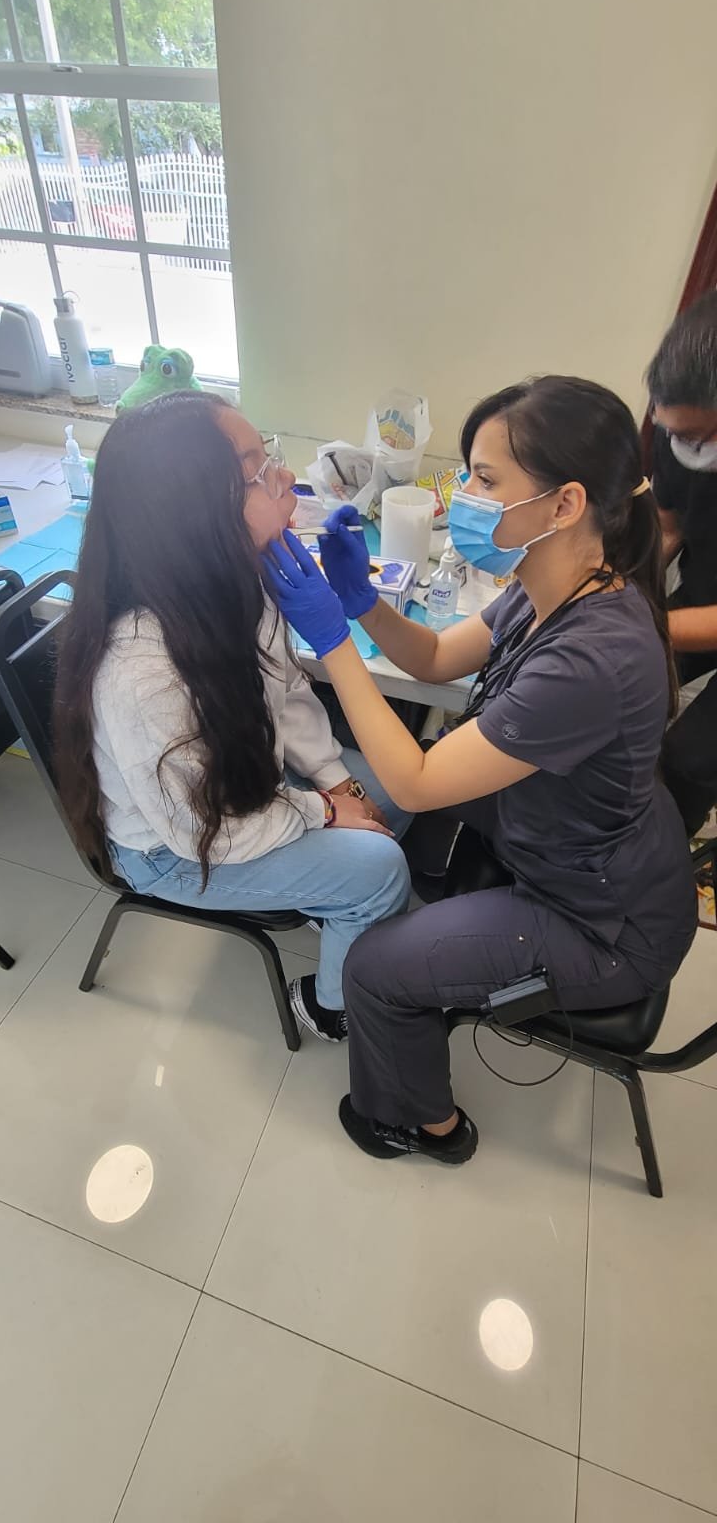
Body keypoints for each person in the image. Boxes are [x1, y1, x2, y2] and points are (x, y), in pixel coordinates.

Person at [264, 376, 698, 1165]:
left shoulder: (591, 655)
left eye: (484, 480)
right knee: (402, 847)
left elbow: (416, 782)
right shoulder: (553, 586)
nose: (460, 496)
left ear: (565, 504)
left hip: (603, 921)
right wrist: (362, 605)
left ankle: (421, 1124)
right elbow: (432, 656)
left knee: (375, 971)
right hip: (585, 854)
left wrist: (330, 639)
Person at [53, 392, 412, 1042]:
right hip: (178, 845)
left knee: (399, 792)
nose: (282, 478)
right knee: (381, 866)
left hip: (247, 784)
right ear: (196, 514)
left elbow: (288, 693)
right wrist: (326, 812)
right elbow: (205, 832)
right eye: (254, 470)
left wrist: (336, 781)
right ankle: (330, 1009)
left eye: (266, 455)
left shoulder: (238, 576)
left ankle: (332, 896)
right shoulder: (142, 673)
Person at [646, 292, 717, 835]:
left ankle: (656, 869)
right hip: (704, 590)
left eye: (694, 436)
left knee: (688, 760)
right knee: (632, 683)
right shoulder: (676, 440)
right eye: (672, 433)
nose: (679, 446)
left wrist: (638, 624)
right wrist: (620, 586)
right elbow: (667, 527)